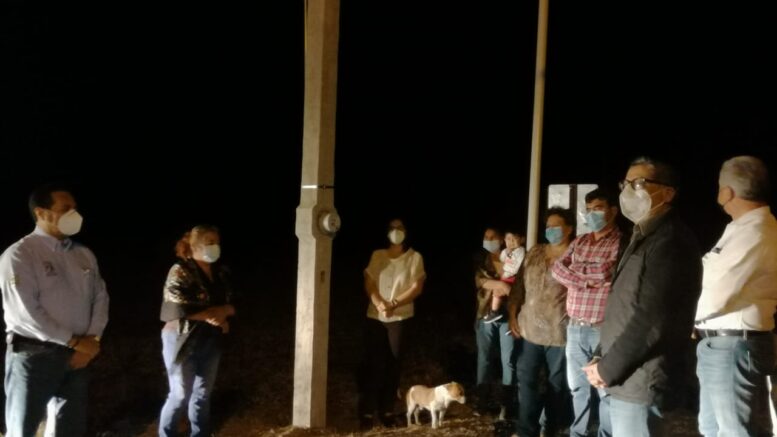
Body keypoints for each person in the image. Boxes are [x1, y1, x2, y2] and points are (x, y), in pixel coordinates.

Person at [583, 157, 702, 436]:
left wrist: (608, 368)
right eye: (625, 184)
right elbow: (624, 305)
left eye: (638, 183)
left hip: (642, 382)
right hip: (623, 378)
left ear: (668, 193)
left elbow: (652, 319)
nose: (628, 191)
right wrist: (601, 356)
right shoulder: (643, 235)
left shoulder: (671, 241)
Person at [0, 183, 109, 437]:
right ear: (41, 213)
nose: (74, 214)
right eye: (65, 208)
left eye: (75, 208)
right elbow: (24, 312)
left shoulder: (83, 254)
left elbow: (100, 298)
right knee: (22, 429)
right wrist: (75, 341)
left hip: (77, 357)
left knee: (68, 427)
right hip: (34, 357)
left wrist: (92, 341)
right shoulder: (20, 254)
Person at [693, 156, 777, 437]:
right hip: (723, 344)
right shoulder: (742, 229)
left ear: (727, 192)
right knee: (713, 428)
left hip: (734, 346)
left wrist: (681, 317)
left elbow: (716, 293)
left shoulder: (755, 231)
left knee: (735, 432)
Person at [551, 187, 622, 437]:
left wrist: (576, 273)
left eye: (598, 209)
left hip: (602, 328)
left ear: (613, 211)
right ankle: (578, 433)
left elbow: (606, 271)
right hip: (574, 326)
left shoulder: (619, 242)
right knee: (577, 389)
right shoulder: (580, 241)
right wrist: (586, 280)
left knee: (605, 389)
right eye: (589, 209)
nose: (592, 214)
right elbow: (557, 269)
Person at [158, 225, 236, 437]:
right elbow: (175, 306)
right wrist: (211, 314)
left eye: (217, 242)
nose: (215, 246)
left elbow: (234, 302)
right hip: (181, 338)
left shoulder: (220, 273)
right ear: (194, 246)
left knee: (202, 393)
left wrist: (223, 312)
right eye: (209, 242)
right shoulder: (180, 270)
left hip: (210, 339)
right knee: (180, 393)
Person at [508, 207, 574, 437]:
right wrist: (512, 314)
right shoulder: (536, 251)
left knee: (557, 385)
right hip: (529, 330)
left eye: (556, 226)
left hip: (560, 333)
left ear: (569, 229)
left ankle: (551, 428)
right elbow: (519, 285)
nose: (550, 230)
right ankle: (526, 430)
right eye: (548, 226)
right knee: (526, 382)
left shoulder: (575, 255)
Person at [357, 218, 425, 428]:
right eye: (392, 228)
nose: (396, 231)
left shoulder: (414, 258)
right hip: (376, 317)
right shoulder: (378, 255)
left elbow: (416, 287)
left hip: (400, 317)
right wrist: (379, 303)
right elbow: (369, 281)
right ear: (387, 232)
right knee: (374, 364)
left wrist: (394, 304)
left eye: (400, 228)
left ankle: (387, 410)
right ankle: (367, 411)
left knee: (393, 365)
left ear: (406, 231)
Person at [474, 226, 517, 419]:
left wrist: (504, 288)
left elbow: (519, 286)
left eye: (493, 237)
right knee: (484, 359)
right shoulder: (482, 261)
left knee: (509, 361)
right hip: (485, 314)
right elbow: (481, 281)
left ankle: (506, 405)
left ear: (502, 239)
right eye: (486, 236)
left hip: (509, 316)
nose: (489, 240)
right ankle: (482, 401)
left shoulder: (514, 259)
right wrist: (501, 285)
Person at [483, 230, 526, 324]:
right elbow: (502, 259)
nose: (511, 241)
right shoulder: (504, 252)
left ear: (521, 240)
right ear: (505, 240)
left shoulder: (521, 251)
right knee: (497, 291)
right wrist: (507, 253)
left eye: (514, 239)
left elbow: (517, 266)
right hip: (505, 277)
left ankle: (498, 312)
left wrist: (506, 272)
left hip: (512, 277)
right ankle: (494, 312)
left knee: (503, 293)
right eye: (508, 239)